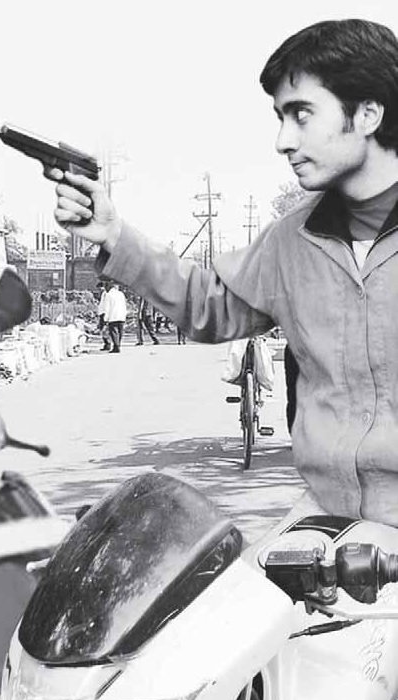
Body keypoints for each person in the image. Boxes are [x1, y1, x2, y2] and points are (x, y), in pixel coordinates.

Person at [48, 19, 398, 525]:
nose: (283, 140)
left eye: (302, 115)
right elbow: (210, 305)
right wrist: (113, 234)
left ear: (367, 113)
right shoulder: (289, 241)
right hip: (326, 518)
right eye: (280, 118)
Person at [104, 283, 127, 353]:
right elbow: (124, 305)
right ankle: (118, 345)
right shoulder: (121, 294)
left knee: (114, 332)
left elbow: (107, 307)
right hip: (121, 316)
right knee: (120, 332)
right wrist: (125, 315)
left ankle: (116, 346)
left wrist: (106, 318)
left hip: (113, 316)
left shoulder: (108, 295)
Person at [95, 280, 111, 351]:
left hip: (104, 313)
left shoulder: (105, 294)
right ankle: (106, 343)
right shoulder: (103, 294)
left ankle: (107, 344)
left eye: (99, 288)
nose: (99, 290)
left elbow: (105, 305)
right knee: (102, 329)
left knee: (104, 329)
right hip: (102, 313)